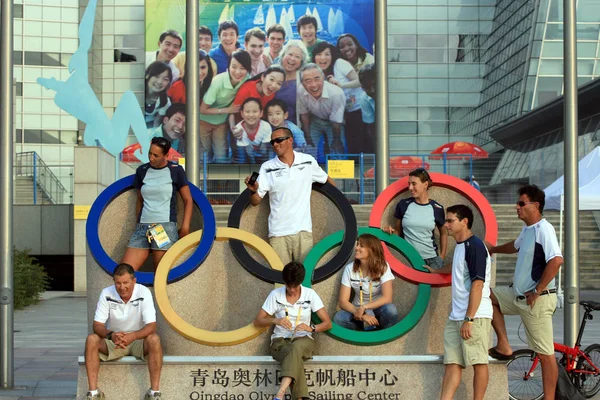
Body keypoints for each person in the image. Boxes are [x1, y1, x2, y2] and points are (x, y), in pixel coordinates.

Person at [486, 184, 562, 400]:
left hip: (536, 301)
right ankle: (504, 344)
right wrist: (494, 248)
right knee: (486, 296)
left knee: (546, 356)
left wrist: (537, 290)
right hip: (517, 297)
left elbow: (556, 261)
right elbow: (515, 246)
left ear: (535, 206)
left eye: (521, 203)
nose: (516, 207)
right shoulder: (528, 229)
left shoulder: (544, 229)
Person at [426, 205, 492, 400]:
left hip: (475, 316)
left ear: (464, 222)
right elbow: (456, 268)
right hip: (456, 316)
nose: (446, 225)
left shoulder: (476, 246)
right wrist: (436, 271)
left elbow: (478, 285)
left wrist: (469, 318)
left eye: (450, 220)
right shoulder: (461, 246)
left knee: (479, 363)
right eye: (446, 220)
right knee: (452, 364)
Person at [244, 127, 334, 266]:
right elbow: (255, 201)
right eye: (272, 142)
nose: (275, 144)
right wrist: (253, 190)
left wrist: (343, 204)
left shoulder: (308, 161)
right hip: (278, 233)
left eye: (278, 140)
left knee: (305, 278)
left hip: (303, 232)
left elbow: (327, 180)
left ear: (290, 140)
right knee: (280, 279)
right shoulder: (267, 167)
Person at [254, 261, 332, 400]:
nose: (291, 290)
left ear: (300, 282)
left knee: (296, 347)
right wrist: (275, 320)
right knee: (294, 355)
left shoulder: (310, 295)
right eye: (288, 286)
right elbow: (258, 321)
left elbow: (327, 323)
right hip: (280, 342)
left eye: (294, 286)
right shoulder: (275, 295)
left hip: (304, 340)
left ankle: (281, 393)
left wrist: (312, 328)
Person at [84, 263, 163, 400]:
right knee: (91, 339)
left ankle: (154, 393)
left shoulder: (144, 292)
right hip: (114, 341)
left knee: (154, 339)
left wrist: (133, 336)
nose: (122, 287)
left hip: (137, 340)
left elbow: (151, 326)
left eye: (126, 282)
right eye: (118, 283)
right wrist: (111, 335)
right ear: (113, 281)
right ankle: (93, 393)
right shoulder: (106, 293)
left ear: (134, 281)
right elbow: (97, 325)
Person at [121, 137, 192, 270]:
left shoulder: (176, 170)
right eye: (150, 153)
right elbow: (139, 200)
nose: (151, 158)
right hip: (143, 228)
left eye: (156, 155)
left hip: (164, 228)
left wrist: (185, 227)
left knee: (161, 273)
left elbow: (188, 200)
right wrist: (138, 224)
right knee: (124, 271)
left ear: (166, 155)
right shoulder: (142, 170)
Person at [383, 168, 448, 269]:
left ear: (425, 184)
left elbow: (444, 233)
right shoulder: (403, 205)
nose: (410, 188)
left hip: (432, 261)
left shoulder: (437, 208)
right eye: (409, 184)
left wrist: (442, 256)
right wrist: (389, 233)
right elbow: (398, 232)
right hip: (408, 259)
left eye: (414, 184)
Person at [333, 233, 399, 331]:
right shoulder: (349, 269)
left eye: (361, 246)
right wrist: (361, 313)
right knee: (339, 318)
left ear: (372, 250)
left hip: (377, 309)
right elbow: (343, 302)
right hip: (357, 310)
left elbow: (387, 298)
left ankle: (381, 332)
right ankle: (361, 330)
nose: (357, 248)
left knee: (391, 310)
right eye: (357, 244)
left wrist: (365, 307)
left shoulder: (383, 267)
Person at [312, 42, 366, 155]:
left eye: (327, 54)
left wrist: (341, 85)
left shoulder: (339, 64)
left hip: (358, 109)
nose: (323, 58)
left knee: (362, 143)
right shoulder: (317, 73)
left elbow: (360, 81)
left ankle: (367, 171)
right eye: (319, 54)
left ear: (332, 55)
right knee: (350, 146)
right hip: (342, 115)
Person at [199, 50, 251, 163]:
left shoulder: (246, 79)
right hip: (203, 121)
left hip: (221, 123)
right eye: (234, 67)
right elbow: (202, 109)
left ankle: (221, 180)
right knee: (204, 155)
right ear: (228, 67)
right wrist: (227, 110)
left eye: (242, 68)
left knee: (221, 157)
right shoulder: (217, 82)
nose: (238, 72)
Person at [297, 63, 346, 163]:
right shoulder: (300, 91)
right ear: (302, 83)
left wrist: (336, 140)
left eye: (317, 79)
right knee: (308, 150)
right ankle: (310, 176)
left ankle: (340, 178)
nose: (314, 85)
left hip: (335, 123)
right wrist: (308, 136)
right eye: (308, 81)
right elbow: (304, 114)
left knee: (338, 150)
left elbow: (336, 121)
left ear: (323, 78)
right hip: (315, 120)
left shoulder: (336, 93)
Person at [274, 40, 310, 123]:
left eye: (297, 57)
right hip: (270, 123)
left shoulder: (303, 79)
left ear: (301, 62)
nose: (292, 58)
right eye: (290, 54)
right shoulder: (273, 72)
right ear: (283, 55)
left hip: (293, 124)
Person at [232, 98, 272, 164]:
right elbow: (247, 153)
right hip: (247, 153)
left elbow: (265, 151)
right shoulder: (238, 129)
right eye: (247, 112)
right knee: (241, 159)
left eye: (255, 111)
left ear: (261, 113)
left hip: (263, 152)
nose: (251, 115)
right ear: (242, 114)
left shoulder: (266, 126)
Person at [144, 62, 172, 128]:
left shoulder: (164, 101)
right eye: (156, 76)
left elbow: (157, 122)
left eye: (165, 79)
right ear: (147, 75)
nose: (159, 82)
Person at [358, 63, 375, 154]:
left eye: (375, 85)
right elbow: (371, 127)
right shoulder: (364, 98)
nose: (372, 90)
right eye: (367, 87)